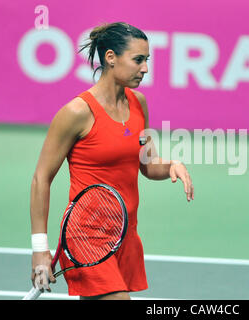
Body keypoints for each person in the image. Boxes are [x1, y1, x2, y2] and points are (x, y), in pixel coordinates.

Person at [29, 22, 194, 300]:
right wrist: (39, 249)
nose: (145, 68)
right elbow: (41, 178)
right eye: (138, 60)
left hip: (124, 234)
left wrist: (170, 166)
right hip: (87, 237)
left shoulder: (138, 103)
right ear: (110, 58)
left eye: (147, 60)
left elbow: (147, 164)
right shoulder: (76, 112)